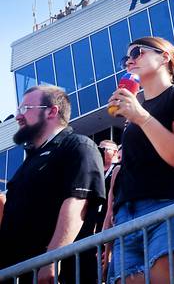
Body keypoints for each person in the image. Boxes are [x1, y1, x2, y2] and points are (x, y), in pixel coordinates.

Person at [106, 36, 174, 283]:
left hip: (171, 208)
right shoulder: (136, 112)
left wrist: (141, 117)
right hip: (127, 221)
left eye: (138, 53)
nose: (129, 61)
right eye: (126, 58)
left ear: (165, 57)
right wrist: (109, 224)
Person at [0, 85, 105, 283]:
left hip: (62, 275)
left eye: (25, 109)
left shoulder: (78, 146)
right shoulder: (27, 164)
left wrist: (52, 259)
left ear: (52, 111)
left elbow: (77, 204)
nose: (17, 116)